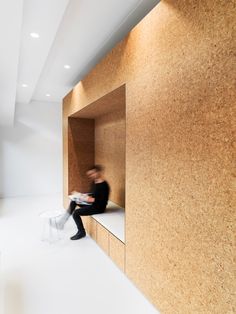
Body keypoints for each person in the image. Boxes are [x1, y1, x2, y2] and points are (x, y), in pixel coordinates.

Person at [55, 165, 110, 240]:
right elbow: (93, 195)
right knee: (74, 201)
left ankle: (81, 232)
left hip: (98, 207)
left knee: (76, 213)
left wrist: (82, 197)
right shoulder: (95, 182)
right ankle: (62, 222)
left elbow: (97, 200)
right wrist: (81, 196)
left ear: (98, 172)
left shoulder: (104, 185)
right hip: (93, 203)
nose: (91, 176)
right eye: (90, 174)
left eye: (92, 173)